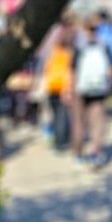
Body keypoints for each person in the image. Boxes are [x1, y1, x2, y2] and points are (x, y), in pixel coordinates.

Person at [71, 15, 112, 165]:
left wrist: (70, 87)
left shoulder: (79, 46)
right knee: (97, 122)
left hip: (81, 88)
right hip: (99, 88)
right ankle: (96, 152)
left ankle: (78, 153)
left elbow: (72, 69)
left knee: (79, 121)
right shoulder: (104, 45)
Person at [41, 18, 75, 150]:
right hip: (64, 85)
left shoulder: (52, 49)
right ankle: (61, 139)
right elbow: (70, 70)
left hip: (52, 83)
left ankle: (57, 137)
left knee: (55, 113)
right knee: (62, 113)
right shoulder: (70, 52)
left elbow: (45, 66)